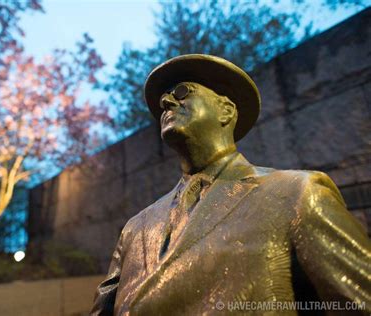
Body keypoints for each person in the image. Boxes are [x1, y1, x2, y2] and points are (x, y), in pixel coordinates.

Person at [91, 54, 371, 315]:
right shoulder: (135, 227)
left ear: (226, 111)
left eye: (182, 92)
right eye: (164, 98)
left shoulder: (297, 193)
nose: (166, 102)